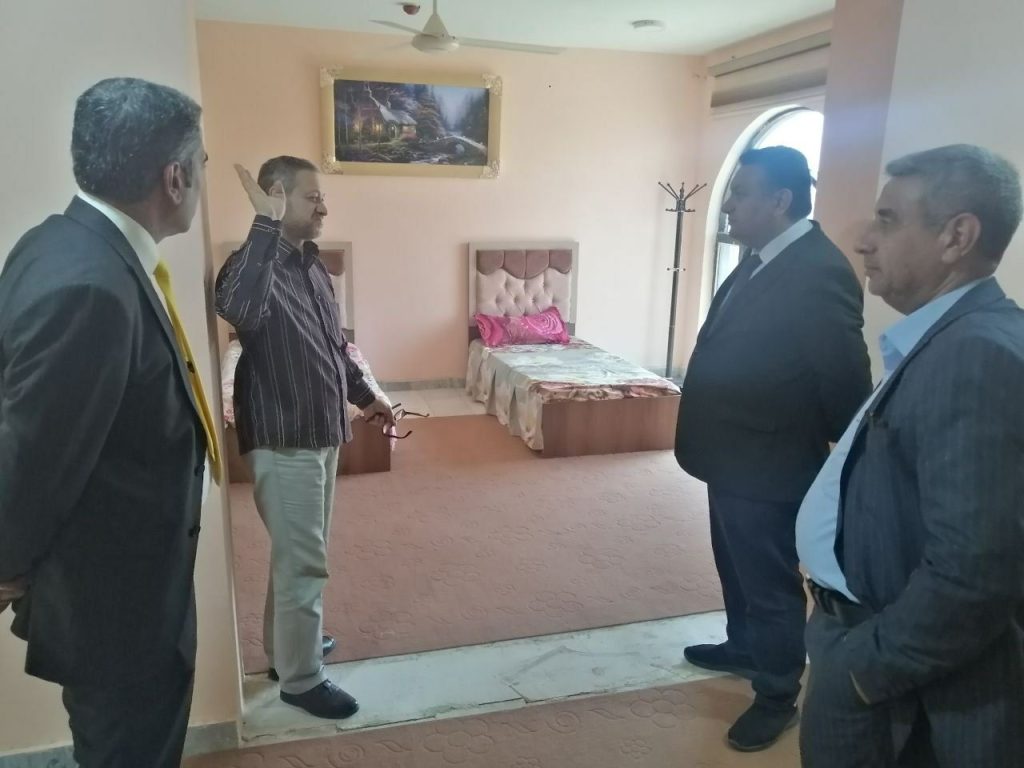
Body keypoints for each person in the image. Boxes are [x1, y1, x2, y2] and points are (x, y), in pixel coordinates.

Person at [0, 77, 217, 767]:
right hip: (117, 611)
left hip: (120, 592)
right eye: (203, 162)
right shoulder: (90, 286)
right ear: (175, 178)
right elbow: (31, 451)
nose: (204, 177)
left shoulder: (57, 242)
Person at [797, 144, 1024, 767]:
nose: (864, 241)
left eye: (888, 219)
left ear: (956, 237)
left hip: (895, 685)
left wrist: (860, 673)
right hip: (867, 637)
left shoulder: (975, 356)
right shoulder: (957, 335)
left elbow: (975, 570)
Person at [675, 146, 872, 751]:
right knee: (734, 564)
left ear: (781, 200)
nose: (729, 205)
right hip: (731, 455)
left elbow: (845, 381)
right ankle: (743, 646)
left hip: (769, 462)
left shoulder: (818, 271)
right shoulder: (764, 257)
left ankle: (778, 692)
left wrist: (830, 455)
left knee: (768, 581)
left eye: (741, 193)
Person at [216, 156, 394, 719]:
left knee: (297, 555)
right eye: (312, 197)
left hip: (322, 430)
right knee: (304, 563)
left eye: (322, 198)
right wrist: (264, 225)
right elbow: (236, 308)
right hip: (282, 435)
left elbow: (334, 347)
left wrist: (367, 396)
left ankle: (286, 650)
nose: (323, 207)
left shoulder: (314, 268)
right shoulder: (251, 265)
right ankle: (301, 679)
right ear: (277, 195)